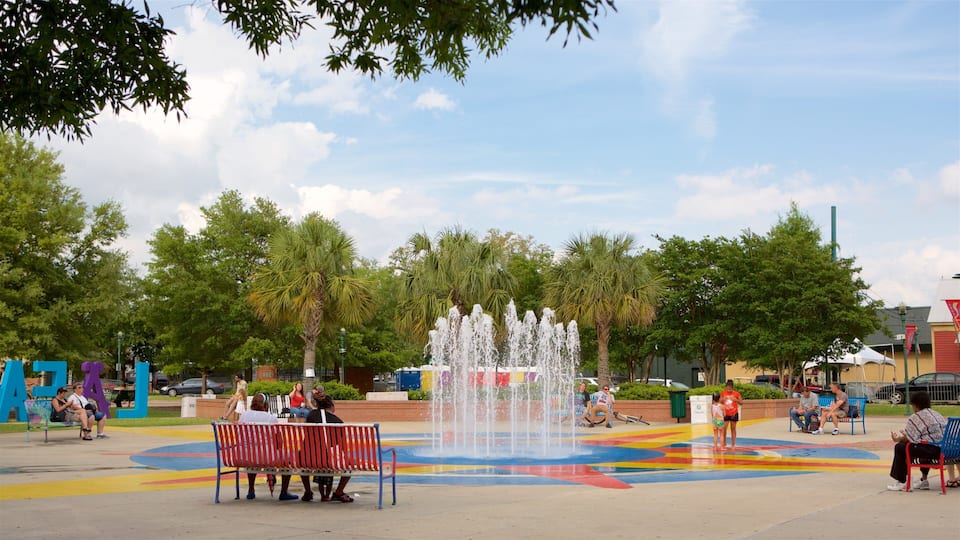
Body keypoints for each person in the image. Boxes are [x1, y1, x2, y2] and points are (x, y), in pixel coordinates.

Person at [239, 393, 312, 501]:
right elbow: (279, 442)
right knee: (289, 458)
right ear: (266, 404)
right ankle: (284, 491)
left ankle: (251, 489)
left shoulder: (243, 416)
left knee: (252, 453)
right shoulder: (271, 418)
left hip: (244, 455)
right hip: (266, 456)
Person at [886, 391, 947, 491]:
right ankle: (924, 480)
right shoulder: (937, 414)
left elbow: (910, 439)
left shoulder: (916, 417)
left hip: (933, 451)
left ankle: (902, 481)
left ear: (915, 405)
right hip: (945, 450)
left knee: (901, 447)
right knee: (922, 442)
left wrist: (898, 439)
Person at [306, 399, 353, 502]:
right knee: (349, 464)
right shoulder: (338, 421)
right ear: (332, 407)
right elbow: (338, 444)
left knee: (302, 456)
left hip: (310, 456)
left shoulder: (311, 416)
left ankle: (308, 491)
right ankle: (339, 491)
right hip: (328, 458)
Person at [720, 380, 742, 449]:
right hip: (725, 413)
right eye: (727, 388)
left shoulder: (736, 393)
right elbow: (719, 401)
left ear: (732, 388)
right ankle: (724, 443)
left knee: (733, 428)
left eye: (730, 388)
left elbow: (741, 402)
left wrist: (735, 400)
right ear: (726, 387)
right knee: (724, 428)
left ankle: (733, 444)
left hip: (734, 413)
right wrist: (723, 398)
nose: (729, 390)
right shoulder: (723, 393)